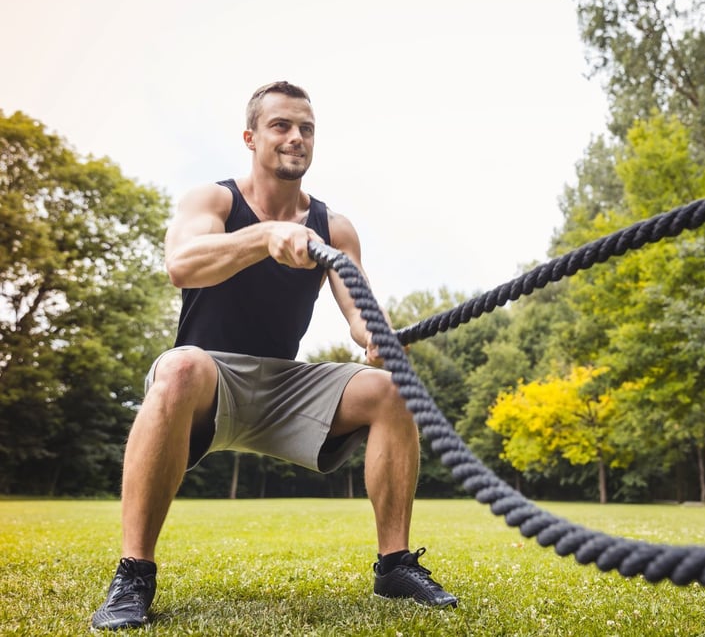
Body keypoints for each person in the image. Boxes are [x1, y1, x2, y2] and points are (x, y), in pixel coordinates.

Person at [91, 81, 458, 631]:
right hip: (209, 379)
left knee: (390, 390)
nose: (295, 138)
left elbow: (360, 315)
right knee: (179, 365)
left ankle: (395, 566)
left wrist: (379, 338)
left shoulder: (333, 227)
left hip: (285, 385)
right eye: (281, 126)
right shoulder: (214, 201)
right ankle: (134, 574)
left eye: (306, 128)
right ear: (251, 137)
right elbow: (181, 265)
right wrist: (264, 237)